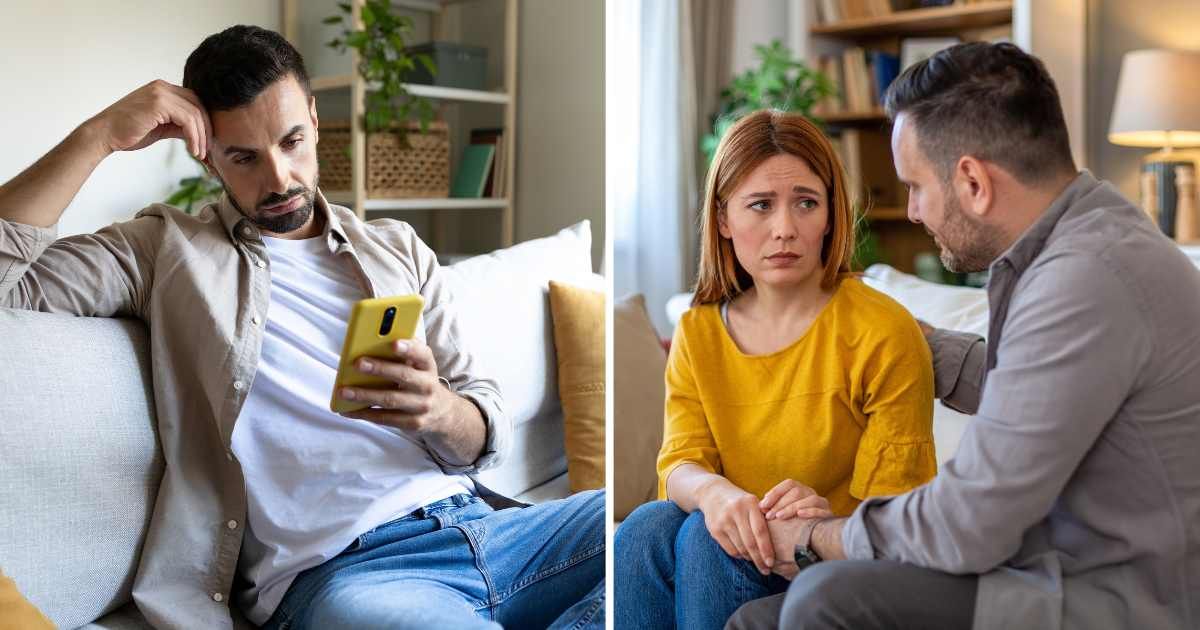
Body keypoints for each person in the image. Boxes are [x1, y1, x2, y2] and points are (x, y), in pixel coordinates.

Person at [0, 25, 603, 630]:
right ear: (205, 153)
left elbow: (482, 430)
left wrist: (438, 410)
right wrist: (98, 136)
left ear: (315, 118)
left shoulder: (397, 249)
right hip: (348, 575)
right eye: (244, 157)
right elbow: (10, 284)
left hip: (488, 528)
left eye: (292, 141)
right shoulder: (164, 251)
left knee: (666, 528)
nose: (280, 178)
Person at [726, 42, 1200, 630]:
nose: (915, 212)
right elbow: (1023, 387)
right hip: (1052, 563)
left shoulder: (1086, 277)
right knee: (755, 621)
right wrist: (897, 336)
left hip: (1115, 595)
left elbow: (965, 523)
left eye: (916, 186)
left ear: (973, 181)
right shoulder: (1085, 240)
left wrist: (814, 536)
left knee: (824, 599)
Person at [613, 110, 938, 629]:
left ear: (830, 214)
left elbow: (899, 525)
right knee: (645, 529)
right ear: (723, 219)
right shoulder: (698, 331)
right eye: (760, 205)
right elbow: (679, 463)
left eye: (805, 203)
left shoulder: (883, 331)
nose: (784, 229)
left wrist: (821, 523)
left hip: (828, 566)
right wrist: (719, 494)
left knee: (704, 539)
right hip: (721, 547)